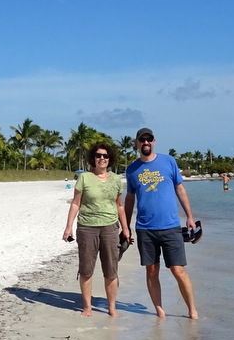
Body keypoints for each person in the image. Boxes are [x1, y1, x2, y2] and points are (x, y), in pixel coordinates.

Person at [124, 128, 199, 320]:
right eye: (142, 140)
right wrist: (125, 226)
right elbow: (130, 199)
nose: (146, 143)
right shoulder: (131, 169)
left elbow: (179, 189)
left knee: (178, 270)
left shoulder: (168, 161)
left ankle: (192, 311)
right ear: (137, 143)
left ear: (154, 141)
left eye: (149, 140)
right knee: (151, 270)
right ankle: (160, 312)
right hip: (145, 228)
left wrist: (190, 216)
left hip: (171, 226)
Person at [62, 142, 130, 317]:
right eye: (99, 155)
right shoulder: (85, 178)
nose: (102, 158)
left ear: (110, 159)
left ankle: (112, 307)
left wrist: (126, 228)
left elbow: (120, 206)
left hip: (110, 227)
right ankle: (87, 307)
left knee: (111, 270)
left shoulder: (116, 179)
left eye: (105, 156)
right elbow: (76, 203)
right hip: (87, 227)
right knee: (86, 269)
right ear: (93, 158)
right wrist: (68, 227)